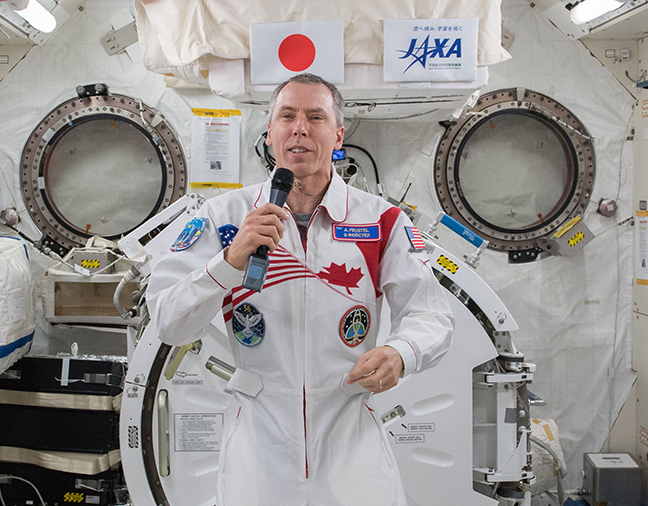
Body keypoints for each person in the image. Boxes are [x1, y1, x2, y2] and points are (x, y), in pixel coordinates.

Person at [146, 73, 454, 506]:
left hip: (350, 435)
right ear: (270, 132)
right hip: (258, 440)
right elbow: (168, 322)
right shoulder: (223, 217)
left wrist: (402, 352)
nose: (300, 128)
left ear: (338, 133)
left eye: (316, 117)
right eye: (287, 116)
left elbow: (432, 314)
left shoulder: (382, 222)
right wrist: (228, 263)